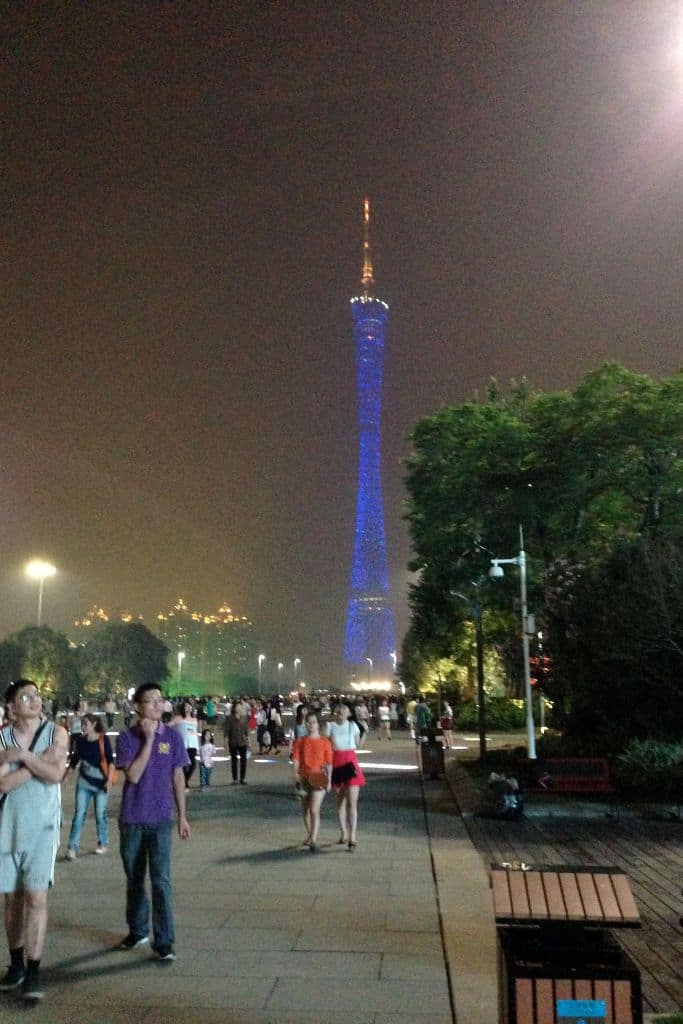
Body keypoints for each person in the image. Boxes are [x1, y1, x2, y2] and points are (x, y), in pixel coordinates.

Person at [0, 679, 68, 1000]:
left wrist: (22, 757)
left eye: (37, 694)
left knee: (37, 898)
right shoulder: (1, 737)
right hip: (7, 827)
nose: (34, 699)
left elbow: (57, 775)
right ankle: (16, 964)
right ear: (11, 707)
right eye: (25, 696)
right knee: (11, 899)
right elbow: (1, 785)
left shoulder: (57, 733)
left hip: (43, 829)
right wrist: (40, 761)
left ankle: (34, 970)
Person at [115, 683, 190, 961]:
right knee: (134, 878)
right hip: (133, 819)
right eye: (151, 701)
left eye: (161, 700)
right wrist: (148, 740)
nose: (159, 705)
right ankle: (137, 931)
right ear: (137, 706)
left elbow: (178, 777)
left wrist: (182, 816)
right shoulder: (126, 738)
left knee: (161, 881)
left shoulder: (173, 737)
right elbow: (133, 775)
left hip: (161, 819)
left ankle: (164, 942)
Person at [65, 713, 115, 859]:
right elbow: (74, 760)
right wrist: (67, 775)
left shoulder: (103, 739)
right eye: (82, 724)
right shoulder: (80, 741)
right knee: (79, 814)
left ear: (94, 724)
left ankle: (103, 842)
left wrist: (109, 780)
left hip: (101, 784)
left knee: (101, 814)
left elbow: (111, 761)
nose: (82, 726)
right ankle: (72, 847)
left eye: (85, 723)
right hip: (84, 783)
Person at [327, 702, 366, 850]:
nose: (340, 712)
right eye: (338, 710)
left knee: (352, 802)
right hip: (336, 762)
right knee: (340, 802)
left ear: (349, 713)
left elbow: (358, 745)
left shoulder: (352, 726)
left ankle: (352, 835)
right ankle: (343, 832)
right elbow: (326, 746)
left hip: (350, 762)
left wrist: (365, 733)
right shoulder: (330, 726)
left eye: (344, 710)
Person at [291, 712, 332, 852]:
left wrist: (330, 780)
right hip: (303, 777)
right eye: (308, 722)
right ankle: (309, 835)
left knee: (314, 809)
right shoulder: (300, 741)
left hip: (319, 776)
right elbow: (296, 759)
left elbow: (329, 763)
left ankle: (313, 839)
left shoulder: (325, 742)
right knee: (305, 810)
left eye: (313, 722)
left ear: (318, 724)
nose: (310, 725)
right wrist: (295, 773)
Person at [173, 701, 198, 789]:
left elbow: (194, 732)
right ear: (183, 708)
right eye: (186, 706)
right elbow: (168, 726)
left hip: (192, 744)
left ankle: (185, 781)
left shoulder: (194, 719)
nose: (188, 707)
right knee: (183, 764)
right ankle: (183, 783)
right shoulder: (179, 718)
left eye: (189, 706)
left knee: (193, 765)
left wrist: (197, 746)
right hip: (183, 744)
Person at [224, 704, 249, 785]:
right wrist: (225, 743)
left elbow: (246, 731)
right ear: (234, 708)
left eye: (241, 707)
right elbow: (226, 731)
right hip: (233, 742)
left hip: (243, 741)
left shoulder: (244, 717)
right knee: (234, 761)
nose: (240, 708)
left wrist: (249, 741)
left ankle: (242, 778)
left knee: (243, 760)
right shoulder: (230, 718)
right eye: (238, 706)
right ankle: (235, 779)